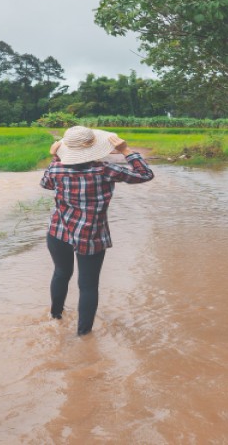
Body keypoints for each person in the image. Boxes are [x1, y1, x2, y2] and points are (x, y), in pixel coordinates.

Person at [40, 125, 154, 336]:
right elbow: (145, 174)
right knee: (88, 286)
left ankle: (55, 318)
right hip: (91, 234)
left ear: (67, 149)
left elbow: (45, 184)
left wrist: (54, 157)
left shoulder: (56, 168)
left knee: (61, 273)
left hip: (58, 231)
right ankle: (83, 335)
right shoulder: (106, 170)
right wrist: (126, 151)